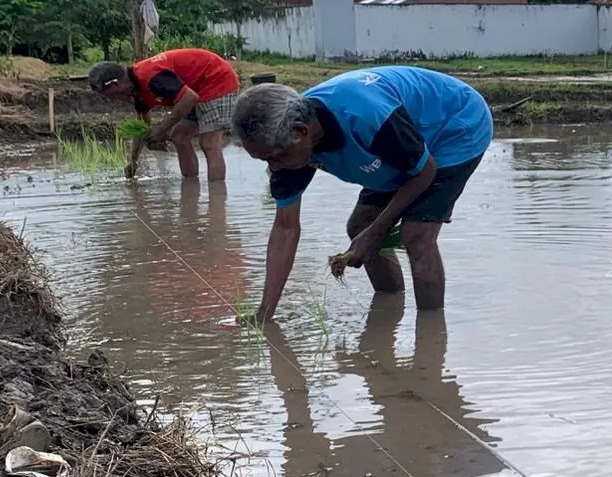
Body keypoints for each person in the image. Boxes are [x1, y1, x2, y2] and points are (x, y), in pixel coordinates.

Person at [231, 65, 492, 322]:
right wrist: (264, 313)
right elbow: (285, 228)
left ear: (301, 132)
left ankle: (431, 336)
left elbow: (424, 171)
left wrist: (377, 231)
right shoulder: (285, 145)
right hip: (399, 146)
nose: (274, 168)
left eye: (276, 157)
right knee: (359, 226)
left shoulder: (366, 116)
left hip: (455, 125)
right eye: (264, 160)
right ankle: (390, 304)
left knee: (417, 235)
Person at [87, 48, 242, 183]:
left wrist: (161, 131)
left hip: (216, 79)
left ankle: (217, 200)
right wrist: (133, 160)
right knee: (180, 137)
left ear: (115, 84)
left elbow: (189, 98)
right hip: (195, 89)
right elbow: (143, 126)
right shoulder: (137, 92)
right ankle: (190, 189)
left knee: (209, 142)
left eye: (110, 95)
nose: (113, 99)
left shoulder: (151, 76)